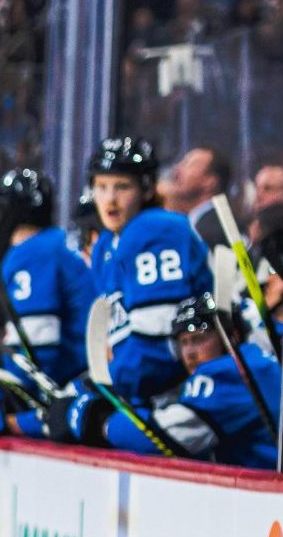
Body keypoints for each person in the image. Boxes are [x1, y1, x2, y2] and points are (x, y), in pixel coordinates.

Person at [49, 137, 211, 454]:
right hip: (146, 402)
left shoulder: (157, 229)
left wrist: (96, 386)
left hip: (186, 402)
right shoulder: (106, 247)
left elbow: (159, 352)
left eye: (122, 187)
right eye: (101, 187)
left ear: (147, 189)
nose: (110, 199)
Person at [0, 166, 96, 463]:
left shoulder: (30, 253)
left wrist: (1, 399)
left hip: (69, 389)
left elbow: (38, 350)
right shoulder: (62, 242)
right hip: (88, 383)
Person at [150, 294, 280, 470]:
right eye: (183, 342)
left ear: (232, 336)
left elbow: (163, 439)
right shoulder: (254, 360)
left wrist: (111, 422)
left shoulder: (230, 371)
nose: (189, 353)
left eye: (198, 339)